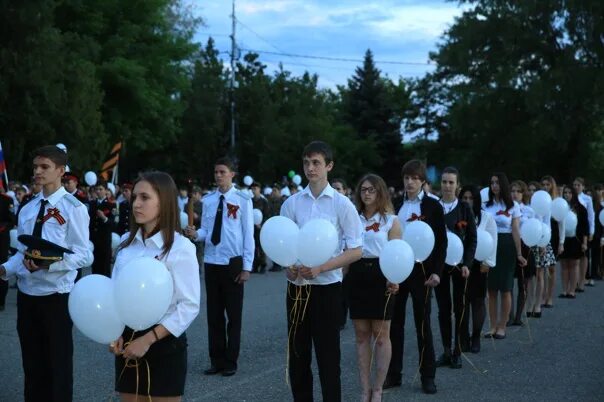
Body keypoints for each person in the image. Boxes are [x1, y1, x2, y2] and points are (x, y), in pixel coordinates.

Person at [0, 145, 92, 402]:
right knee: (32, 364)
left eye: (44, 167)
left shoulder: (74, 208)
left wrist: (49, 265)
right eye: (35, 167)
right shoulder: (28, 208)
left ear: (61, 171)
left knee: (58, 366)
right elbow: (22, 252)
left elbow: (84, 254)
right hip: (28, 296)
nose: (37, 172)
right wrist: (4, 269)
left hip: (56, 297)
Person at [280, 141, 362, 402]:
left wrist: (321, 268)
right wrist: (288, 268)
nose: (310, 168)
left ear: (329, 165)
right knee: (298, 360)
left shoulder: (342, 204)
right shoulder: (291, 204)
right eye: (306, 162)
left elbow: (356, 249)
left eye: (316, 162)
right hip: (297, 290)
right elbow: (284, 243)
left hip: (327, 290)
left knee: (328, 360)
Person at [110, 171, 200, 402]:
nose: (136, 203)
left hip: (164, 343)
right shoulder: (125, 245)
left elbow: (189, 305)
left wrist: (148, 339)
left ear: (164, 201)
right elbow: (115, 294)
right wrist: (115, 333)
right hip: (128, 341)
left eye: (145, 198)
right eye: (134, 198)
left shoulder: (181, 248)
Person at [184, 156, 253, 377]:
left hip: (232, 263)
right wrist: (196, 235)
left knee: (233, 316)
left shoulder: (243, 199)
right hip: (212, 262)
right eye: (216, 172)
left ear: (233, 174)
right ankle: (216, 360)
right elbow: (206, 230)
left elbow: (248, 235)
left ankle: (231, 361)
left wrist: (247, 267)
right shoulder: (209, 200)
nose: (218, 176)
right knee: (214, 316)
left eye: (223, 172)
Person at [385, 159, 447, 395]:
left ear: (422, 181)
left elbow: (441, 242)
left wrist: (436, 272)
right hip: (398, 270)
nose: (409, 182)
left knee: (423, 324)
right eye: (406, 178)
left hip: (423, 272)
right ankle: (394, 373)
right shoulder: (395, 205)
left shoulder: (433, 206)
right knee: (395, 324)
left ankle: (428, 375)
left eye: (414, 178)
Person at [346, 174, 400, 402]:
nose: (366, 194)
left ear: (380, 193)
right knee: (361, 335)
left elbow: (397, 253)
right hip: (357, 274)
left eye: (371, 190)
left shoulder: (391, 221)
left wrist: (395, 277)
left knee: (381, 335)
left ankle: (378, 388)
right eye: (363, 190)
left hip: (382, 275)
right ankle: (365, 389)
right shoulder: (352, 218)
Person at [435, 167, 477, 369]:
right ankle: (445, 350)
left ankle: (458, 350)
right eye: (444, 182)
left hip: (460, 266)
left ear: (457, 186)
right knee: (443, 308)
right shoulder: (434, 207)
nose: (447, 186)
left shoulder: (464, 208)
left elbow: (472, 239)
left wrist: (468, 264)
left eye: (451, 182)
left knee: (460, 308)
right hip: (439, 265)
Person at [482, 173, 526, 340]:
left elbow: (516, 229)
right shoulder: (486, 206)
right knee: (491, 288)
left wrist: (519, 253)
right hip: (490, 244)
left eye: (497, 183)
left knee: (506, 287)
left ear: (503, 185)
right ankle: (492, 326)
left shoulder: (513, 206)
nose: (494, 186)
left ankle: (502, 326)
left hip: (507, 245)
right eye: (492, 183)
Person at [459, 185, 497, 353]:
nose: (467, 201)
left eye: (470, 198)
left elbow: (492, 240)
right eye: (464, 198)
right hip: (460, 264)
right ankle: (463, 338)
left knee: (478, 301)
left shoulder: (486, 217)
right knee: (462, 303)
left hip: (479, 264)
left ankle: (476, 336)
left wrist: (488, 262)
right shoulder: (457, 216)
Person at [509, 180, 536, 324]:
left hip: (526, 247)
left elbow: (535, 228)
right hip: (511, 246)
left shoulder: (529, 210)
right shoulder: (507, 209)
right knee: (508, 284)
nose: (515, 194)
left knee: (523, 283)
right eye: (513, 191)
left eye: (518, 191)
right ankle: (509, 315)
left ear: (523, 193)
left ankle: (519, 316)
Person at [558, 186, 589, 298]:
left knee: (574, 264)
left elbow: (585, 227)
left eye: (569, 192)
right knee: (564, 264)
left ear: (574, 194)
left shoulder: (581, 209)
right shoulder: (560, 207)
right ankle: (564, 289)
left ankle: (572, 290)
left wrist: (585, 243)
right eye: (565, 192)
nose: (567, 194)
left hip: (576, 239)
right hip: (563, 239)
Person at [540, 175, 565, 307]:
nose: (545, 187)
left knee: (551, 268)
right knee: (541, 268)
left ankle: (549, 296)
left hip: (554, 234)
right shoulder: (539, 199)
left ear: (552, 186)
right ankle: (542, 295)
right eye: (543, 184)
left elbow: (562, 223)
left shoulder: (557, 201)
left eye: (548, 184)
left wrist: (561, 242)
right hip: (541, 233)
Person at [89, 180, 116, 277]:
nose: (98, 191)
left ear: (106, 190)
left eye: (101, 189)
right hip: (93, 241)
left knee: (104, 268)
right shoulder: (92, 204)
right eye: (97, 189)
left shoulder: (111, 204)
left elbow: (113, 224)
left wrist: (104, 218)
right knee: (94, 267)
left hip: (104, 241)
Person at [573, 177, 594, 291]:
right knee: (575, 257)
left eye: (578, 185)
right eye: (575, 185)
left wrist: (591, 231)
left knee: (584, 256)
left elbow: (591, 216)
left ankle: (582, 281)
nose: (576, 187)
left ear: (583, 187)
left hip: (583, 230)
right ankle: (575, 282)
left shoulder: (587, 199)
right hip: (573, 230)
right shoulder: (571, 197)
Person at [250, 182, 270, 274]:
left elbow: (267, 214)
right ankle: (255, 265)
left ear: (259, 189)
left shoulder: (264, 201)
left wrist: (261, 224)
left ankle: (263, 265)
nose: (254, 190)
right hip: (251, 228)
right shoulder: (250, 201)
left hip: (261, 227)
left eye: (256, 188)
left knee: (261, 247)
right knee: (253, 247)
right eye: (252, 189)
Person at [0, 190, 15, 310]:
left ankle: (1, 300)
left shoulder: (7, 200)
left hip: (1, 239)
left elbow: (11, 220)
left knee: (1, 268)